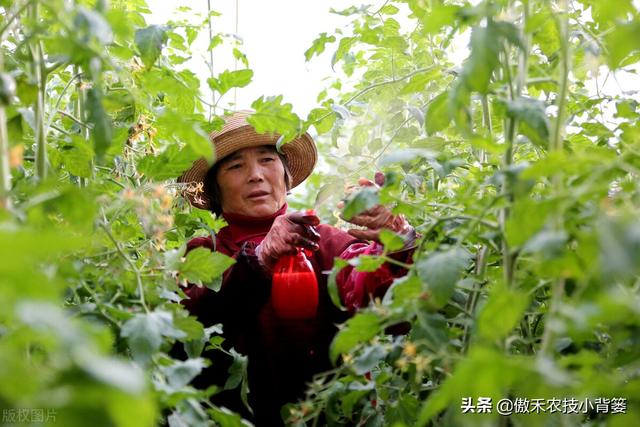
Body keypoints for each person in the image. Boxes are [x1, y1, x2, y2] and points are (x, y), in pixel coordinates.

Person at [176, 110, 416, 426]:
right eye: (235, 166)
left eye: (267, 160)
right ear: (214, 191)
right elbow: (188, 333)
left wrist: (396, 245)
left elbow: (387, 314)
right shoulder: (202, 252)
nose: (255, 175)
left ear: (287, 177)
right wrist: (260, 259)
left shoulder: (330, 243)